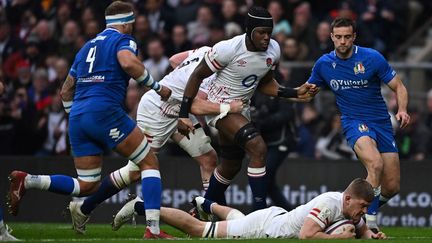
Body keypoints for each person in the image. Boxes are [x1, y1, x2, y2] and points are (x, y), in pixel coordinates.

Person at [7, 1, 173, 239]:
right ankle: (153, 230)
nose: (133, 27)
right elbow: (127, 63)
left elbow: (65, 90)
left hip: (78, 116)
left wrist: (75, 116)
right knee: (149, 163)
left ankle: (29, 181)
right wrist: (157, 87)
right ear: (125, 24)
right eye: (132, 23)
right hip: (104, 110)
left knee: (87, 185)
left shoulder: (86, 47)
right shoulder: (123, 40)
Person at [70, 46, 245, 231]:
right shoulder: (211, 75)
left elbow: (174, 59)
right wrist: (228, 108)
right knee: (137, 170)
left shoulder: (207, 50)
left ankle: (210, 217)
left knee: (209, 159)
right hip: (156, 109)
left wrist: (179, 84)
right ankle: (84, 208)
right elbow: (196, 106)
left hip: (178, 112)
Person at [177, 6, 316, 211]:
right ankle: (260, 212)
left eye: (269, 32)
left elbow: (265, 83)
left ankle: (204, 207)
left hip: (241, 108)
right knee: (258, 147)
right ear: (249, 31)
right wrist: (183, 114)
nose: (266, 37)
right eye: (261, 32)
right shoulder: (227, 49)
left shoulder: (274, 50)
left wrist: (294, 92)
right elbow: (197, 75)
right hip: (220, 106)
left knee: (231, 165)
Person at [306, 17, 410, 231]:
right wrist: (281, 93)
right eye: (338, 37)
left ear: (354, 37)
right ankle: (370, 225)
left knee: (391, 187)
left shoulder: (372, 58)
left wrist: (402, 109)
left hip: (381, 123)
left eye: (347, 37)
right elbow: (305, 91)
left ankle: (351, 216)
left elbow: (399, 86)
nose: (342, 41)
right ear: (332, 37)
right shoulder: (324, 64)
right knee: (375, 164)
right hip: (354, 122)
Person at [113, 178, 386, 239]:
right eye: (363, 206)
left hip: (274, 218)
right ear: (348, 199)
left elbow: (361, 231)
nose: (363, 212)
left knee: (238, 219)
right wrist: (336, 238)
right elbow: (306, 235)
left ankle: (206, 203)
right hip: (265, 227)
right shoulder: (329, 203)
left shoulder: (350, 209)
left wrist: (372, 235)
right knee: (199, 230)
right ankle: (140, 206)